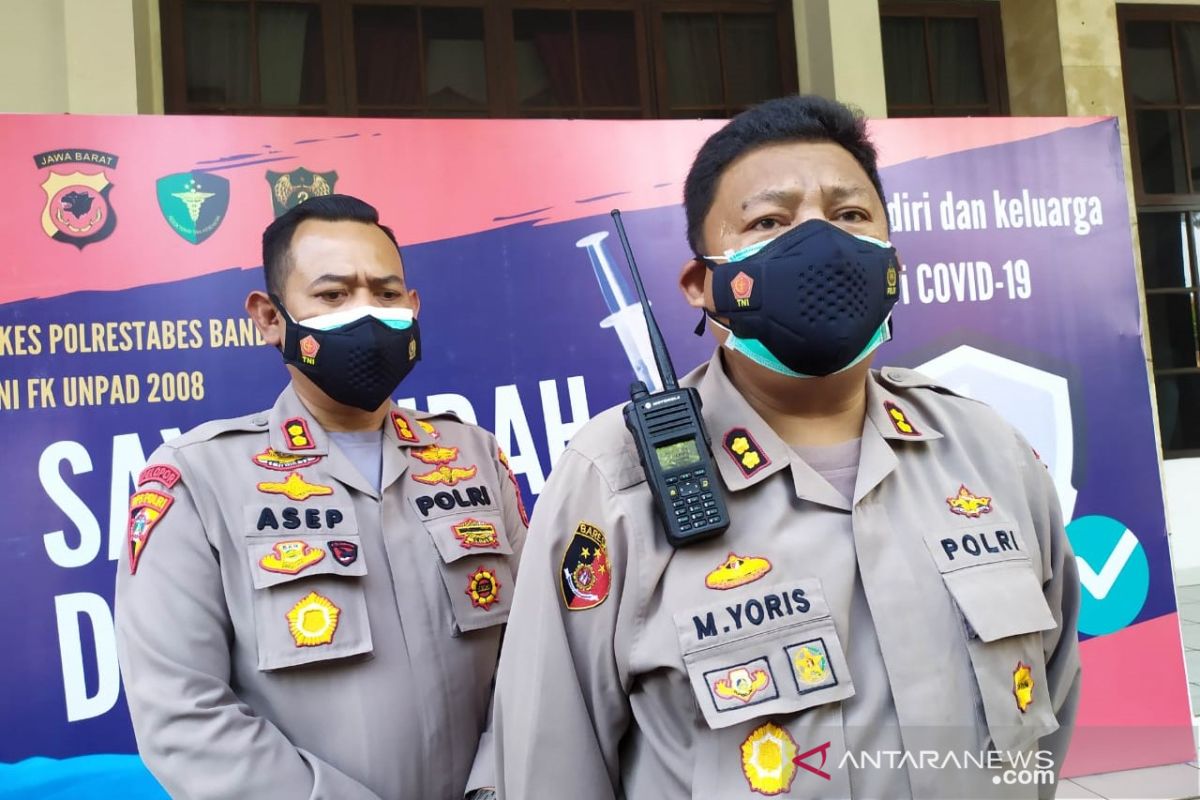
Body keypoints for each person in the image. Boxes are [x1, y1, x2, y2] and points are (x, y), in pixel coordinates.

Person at [493, 96, 1080, 799]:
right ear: (700, 285)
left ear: (890, 260)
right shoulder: (617, 478)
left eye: (850, 215)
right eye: (770, 221)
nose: (820, 243)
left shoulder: (986, 449)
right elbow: (550, 760)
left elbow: (1049, 699)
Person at [115, 194, 524, 800]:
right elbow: (184, 715)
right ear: (270, 317)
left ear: (412, 309)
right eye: (333, 296)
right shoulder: (198, 480)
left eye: (386, 295)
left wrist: (496, 787)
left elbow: (535, 654)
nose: (365, 313)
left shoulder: (473, 456)